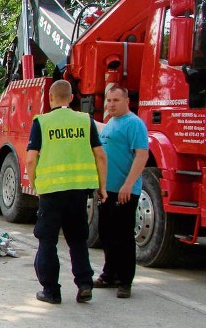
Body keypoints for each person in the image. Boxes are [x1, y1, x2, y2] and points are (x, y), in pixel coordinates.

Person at [26, 80, 107, 304]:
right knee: (78, 239)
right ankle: (84, 284)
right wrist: (101, 186)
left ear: (50, 98)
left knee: (48, 241)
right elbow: (100, 155)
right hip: (79, 192)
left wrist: (35, 185)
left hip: (51, 192)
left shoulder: (42, 122)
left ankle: (51, 291)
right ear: (71, 98)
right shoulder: (84, 120)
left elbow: (31, 158)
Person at [94, 85, 148, 299]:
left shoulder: (134, 124)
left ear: (127, 101)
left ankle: (125, 281)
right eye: (108, 100)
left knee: (123, 236)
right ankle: (109, 275)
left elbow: (141, 156)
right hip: (108, 190)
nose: (111, 104)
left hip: (126, 191)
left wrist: (128, 185)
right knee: (106, 234)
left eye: (116, 100)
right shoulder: (110, 124)